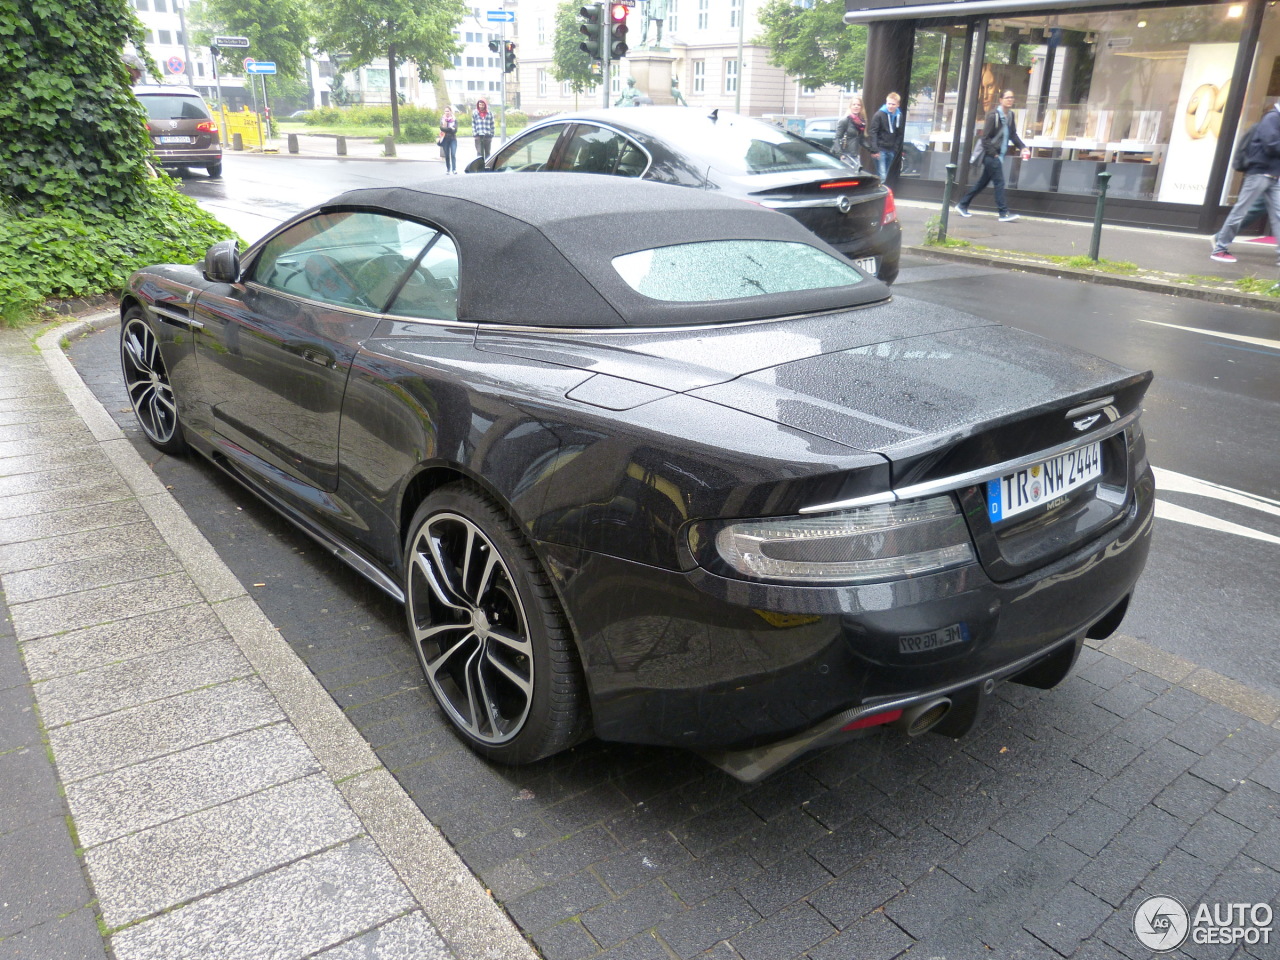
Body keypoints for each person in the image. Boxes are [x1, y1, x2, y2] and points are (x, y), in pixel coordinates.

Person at [1211, 102, 1280, 263]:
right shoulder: (1272, 118)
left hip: (1274, 176)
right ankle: (1220, 248)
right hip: (1259, 173)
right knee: (1240, 211)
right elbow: (1271, 145)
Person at [956, 89, 1026, 222]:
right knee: (999, 182)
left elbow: (1013, 134)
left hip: (999, 155)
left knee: (982, 183)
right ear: (1000, 100)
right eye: (1007, 97)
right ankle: (1003, 213)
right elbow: (985, 138)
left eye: (1012, 97)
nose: (1010, 100)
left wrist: (1023, 147)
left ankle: (962, 204)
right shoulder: (993, 116)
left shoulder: (1010, 115)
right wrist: (993, 154)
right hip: (991, 156)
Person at [868, 92, 904, 180]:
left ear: (898, 105)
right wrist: (875, 150)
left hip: (891, 149)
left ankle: (878, 190)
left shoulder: (899, 115)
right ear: (886, 103)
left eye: (893, 104)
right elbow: (873, 132)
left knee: (884, 174)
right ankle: (881, 192)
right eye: (889, 103)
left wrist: (895, 148)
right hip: (880, 149)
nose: (891, 106)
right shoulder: (879, 115)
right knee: (882, 175)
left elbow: (899, 133)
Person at [835, 95, 868, 171]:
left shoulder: (861, 122)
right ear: (850, 106)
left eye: (858, 105)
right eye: (854, 104)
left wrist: (873, 150)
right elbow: (837, 137)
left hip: (855, 155)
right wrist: (840, 154)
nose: (856, 106)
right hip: (846, 155)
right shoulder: (845, 120)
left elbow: (861, 140)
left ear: (861, 107)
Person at [439, 106, 459, 174]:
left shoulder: (454, 119)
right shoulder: (442, 119)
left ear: (450, 111)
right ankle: (448, 169)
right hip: (445, 139)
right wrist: (450, 129)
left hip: (453, 139)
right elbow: (442, 128)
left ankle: (454, 169)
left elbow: (455, 130)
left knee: (453, 154)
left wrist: (448, 129)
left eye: (448, 111)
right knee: (447, 155)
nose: (447, 112)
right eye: (445, 111)